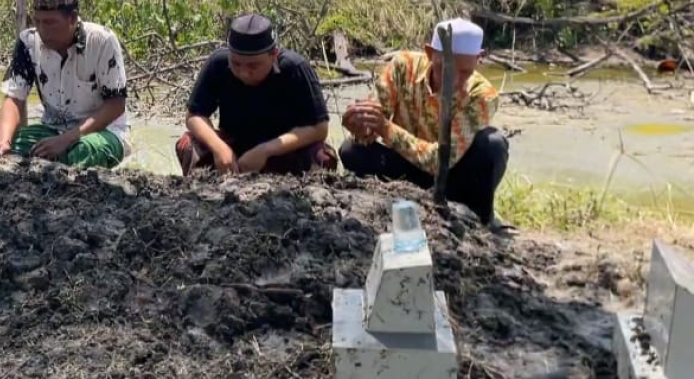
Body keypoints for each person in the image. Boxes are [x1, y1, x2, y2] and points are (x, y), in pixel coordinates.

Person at [339, 17, 514, 233]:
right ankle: (398, 198)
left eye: (465, 72)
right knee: (351, 150)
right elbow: (372, 124)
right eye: (446, 70)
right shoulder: (403, 66)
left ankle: (478, 217)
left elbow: (439, 161)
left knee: (493, 144)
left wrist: (385, 128)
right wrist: (360, 127)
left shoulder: (482, 95)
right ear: (430, 54)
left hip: (451, 178)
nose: (454, 81)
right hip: (406, 167)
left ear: (479, 59)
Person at [0, 0, 130, 168]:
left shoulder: (102, 40)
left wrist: (67, 139)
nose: (42, 30)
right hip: (53, 130)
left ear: (72, 18)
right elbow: (14, 97)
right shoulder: (28, 42)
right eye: (37, 21)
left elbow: (116, 105)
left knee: (81, 152)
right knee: (15, 146)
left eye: (50, 22)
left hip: (104, 132)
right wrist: (4, 141)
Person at [175, 13, 336, 176]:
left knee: (323, 156)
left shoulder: (295, 68)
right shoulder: (218, 64)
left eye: (253, 66)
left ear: (273, 55)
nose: (244, 73)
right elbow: (194, 116)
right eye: (236, 64)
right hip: (235, 145)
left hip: (283, 147)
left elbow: (319, 128)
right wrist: (219, 147)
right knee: (187, 143)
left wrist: (266, 150)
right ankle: (200, 185)